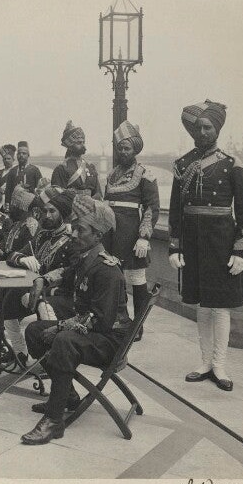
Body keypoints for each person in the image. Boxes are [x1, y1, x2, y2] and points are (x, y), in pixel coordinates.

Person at [21, 196, 131, 445]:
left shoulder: (107, 271)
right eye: (74, 228)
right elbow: (65, 275)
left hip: (109, 341)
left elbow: (100, 320)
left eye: (80, 230)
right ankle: (68, 395)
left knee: (64, 341)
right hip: (94, 332)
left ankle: (54, 420)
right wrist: (42, 280)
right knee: (34, 330)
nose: (72, 234)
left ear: (97, 236)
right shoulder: (85, 258)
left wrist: (60, 326)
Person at [169, 100, 243, 393]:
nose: (202, 132)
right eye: (198, 127)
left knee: (220, 308)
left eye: (208, 127)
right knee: (202, 307)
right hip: (192, 243)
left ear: (217, 129)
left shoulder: (233, 164)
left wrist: (241, 250)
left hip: (221, 242)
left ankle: (220, 365)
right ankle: (204, 362)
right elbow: (175, 211)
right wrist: (174, 247)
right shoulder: (182, 164)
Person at [1, 187, 77, 364]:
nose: (47, 215)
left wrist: (47, 278)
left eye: (52, 211)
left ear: (63, 214)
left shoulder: (72, 239)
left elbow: (73, 270)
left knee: (43, 305)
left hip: (62, 294)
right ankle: (19, 351)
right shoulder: (42, 235)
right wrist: (22, 260)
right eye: (44, 211)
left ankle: (51, 358)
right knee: (8, 296)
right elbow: (12, 255)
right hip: (36, 289)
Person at [103, 121, 160, 335]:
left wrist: (144, 237)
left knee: (137, 280)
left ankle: (138, 326)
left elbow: (152, 207)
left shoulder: (145, 174)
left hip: (132, 234)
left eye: (127, 148)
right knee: (115, 278)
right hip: (110, 234)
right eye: (120, 148)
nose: (123, 152)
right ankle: (121, 319)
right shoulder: (111, 175)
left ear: (135, 149)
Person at [52, 120, 102, 197]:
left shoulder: (90, 167)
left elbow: (98, 193)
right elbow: (57, 197)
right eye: (79, 143)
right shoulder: (61, 169)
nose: (82, 145)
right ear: (70, 146)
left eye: (83, 142)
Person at [3, 140, 42, 205]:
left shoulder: (34, 170)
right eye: (19, 153)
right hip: (15, 207)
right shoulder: (12, 171)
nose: (21, 155)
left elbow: (40, 189)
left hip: (30, 207)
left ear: (28, 155)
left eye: (24, 153)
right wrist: (7, 206)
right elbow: (8, 191)